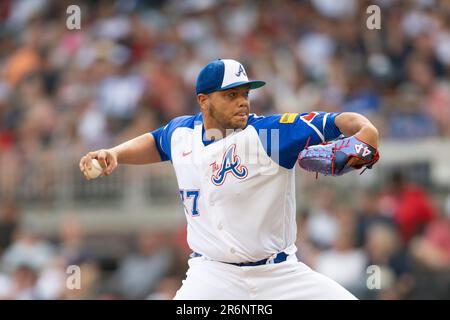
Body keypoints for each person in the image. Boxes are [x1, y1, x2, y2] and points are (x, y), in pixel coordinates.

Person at [79, 59, 380, 299]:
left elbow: (342, 121)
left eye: (245, 94)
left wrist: (368, 132)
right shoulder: (182, 132)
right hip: (212, 277)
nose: (243, 102)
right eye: (231, 95)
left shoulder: (270, 134)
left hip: (280, 276)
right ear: (203, 100)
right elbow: (156, 142)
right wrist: (115, 153)